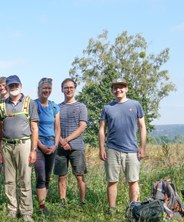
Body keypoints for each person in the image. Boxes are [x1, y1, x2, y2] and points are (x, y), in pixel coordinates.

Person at [99, 78, 147, 215]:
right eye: (115, 88)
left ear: (126, 89)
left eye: (121, 87)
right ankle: (112, 210)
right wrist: (102, 148)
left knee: (133, 181)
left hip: (132, 150)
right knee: (112, 180)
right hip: (112, 149)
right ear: (112, 90)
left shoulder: (135, 105)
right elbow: (102, 129)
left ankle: (134, 210)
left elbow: (142, 127)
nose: (118, 90)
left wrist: (142, 147)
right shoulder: (107, 108)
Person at [0, 75, 39, 222]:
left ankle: (26, 213)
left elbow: (34, 127)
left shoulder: (29, 102)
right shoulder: (1, 105)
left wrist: (34, 150)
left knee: (25, 179)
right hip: (6, 145)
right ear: (6, 87)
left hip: (24, 144)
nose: (13, 88)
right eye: (10, 85)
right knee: (9, 181)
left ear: (20, 85)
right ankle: (12, 211)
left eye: (15, 85)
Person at [54, 78, 88, 207]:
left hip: (77, 147)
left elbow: (82, 127)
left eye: (71, 87)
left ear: (75, 89)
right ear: (62, 89)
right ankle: (62, 201)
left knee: (79, 176)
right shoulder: (57, 107)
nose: (68, 90)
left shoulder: (81, 107)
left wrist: (67, 140)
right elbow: (55, 127)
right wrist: (62, 142)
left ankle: (82, 202)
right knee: (61, 176)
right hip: (60, 148)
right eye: (66, 87)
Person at [34, 78, 60, 216]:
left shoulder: (54, 106)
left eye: (49, 88)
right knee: (41, 176)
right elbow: (32, 128)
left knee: (48, 176)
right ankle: (41, 206)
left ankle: (44, 206)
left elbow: (57, 127)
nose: (46, 91)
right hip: (39, 145)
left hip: (52, 145)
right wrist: (40, 145)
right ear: (39, 89)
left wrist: (55, 145)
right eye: (44, 88)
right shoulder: (33, 105)